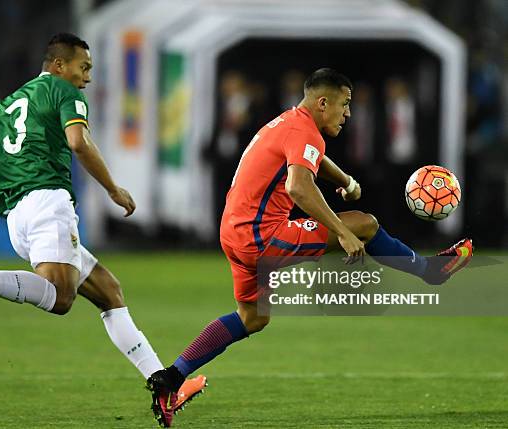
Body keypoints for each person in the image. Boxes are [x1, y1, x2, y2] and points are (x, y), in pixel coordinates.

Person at [145, 68, 473, 421]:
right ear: (322, 102)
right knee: (363, 224)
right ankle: (429, 272)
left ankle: (170, 379)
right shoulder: (305, 132)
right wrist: (342, 232)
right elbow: (298, 187)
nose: (348, 113)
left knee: (252, 318)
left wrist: (345, 179)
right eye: (344, 105)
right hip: (261, 236)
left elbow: (311, 160)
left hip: (233, 233)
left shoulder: (289, 123)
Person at [0, 33, 205, 422]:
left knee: (110, 292)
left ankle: (163, 386)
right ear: (59, 66)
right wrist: (113, 188)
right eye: (85, 67)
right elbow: (78, 142)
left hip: (17, 218)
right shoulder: (63, 91)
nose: (87, 78)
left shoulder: (4, 107)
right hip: (48, 202)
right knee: (61, 300)